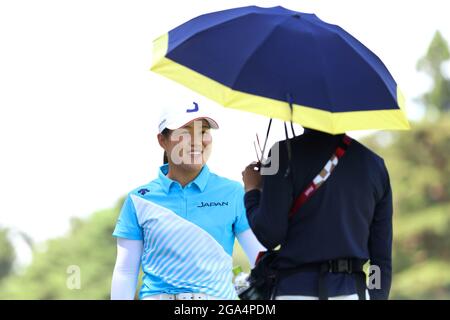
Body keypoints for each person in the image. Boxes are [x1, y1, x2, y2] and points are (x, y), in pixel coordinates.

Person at [111, 100, 265, 300]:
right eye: (185, 132)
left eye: (203, 132)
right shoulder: (139, 199)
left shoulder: (234, 192)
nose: (196, 141)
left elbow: (261, 259)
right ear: (162, 140)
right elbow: (125, 272)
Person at [242, 128, 393, 300]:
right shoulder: (375, 164)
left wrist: (252, 192)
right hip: (353, 292)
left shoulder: (281, 153)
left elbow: (269, 235)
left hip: (294, 292)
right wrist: (376, 295)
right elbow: (380, 257)